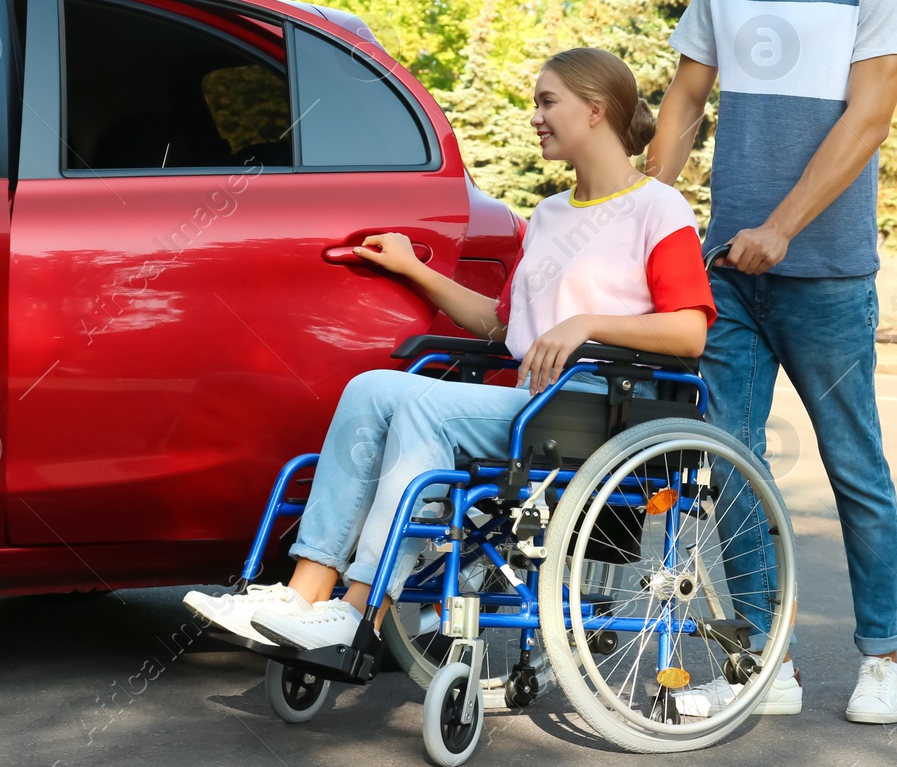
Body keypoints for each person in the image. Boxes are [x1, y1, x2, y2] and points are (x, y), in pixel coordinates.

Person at [184, 48, 717, 653]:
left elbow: (688, 332)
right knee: (370, 388)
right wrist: (415, 269)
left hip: (598, 406)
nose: (535, 117)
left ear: (595, 111)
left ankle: (361, 609)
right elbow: (504, 325)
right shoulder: (547, 215)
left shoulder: (658, 207)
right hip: (529, 404)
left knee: (421, 410)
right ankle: (304, 591)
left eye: (548, 102)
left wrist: (587, 326)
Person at [647, 0, 897, 724]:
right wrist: (647, 213)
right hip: (728, 275)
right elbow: (685, 102)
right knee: (727, 468)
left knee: (855, 469)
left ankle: (882, 657)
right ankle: (765, 662)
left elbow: (868, 119)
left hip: (827, 276)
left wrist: (785, 227)